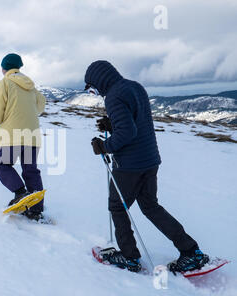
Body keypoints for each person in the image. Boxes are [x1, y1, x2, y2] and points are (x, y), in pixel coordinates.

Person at [86, 60, 209, 273]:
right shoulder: (134, 87)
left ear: (99, 80)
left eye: (92, 88)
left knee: (118, 206)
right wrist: (111, 125)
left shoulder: (113, 96)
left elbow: (127, 133)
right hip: (150, 160)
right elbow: (136, 121)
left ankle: (129, 257)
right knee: (151, 206)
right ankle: (191, 251)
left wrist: (104, 146)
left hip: (129, 165)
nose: (94, 92)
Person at [0, 53, 47, 222]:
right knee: (31, 170)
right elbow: (40, 106)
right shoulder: (31, 86)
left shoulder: (3, 84)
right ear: (19, 67)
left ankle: (20, 193)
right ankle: (36, 210)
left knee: (0, 164)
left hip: (12, 136)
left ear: (4, 68)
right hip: (32, 136)